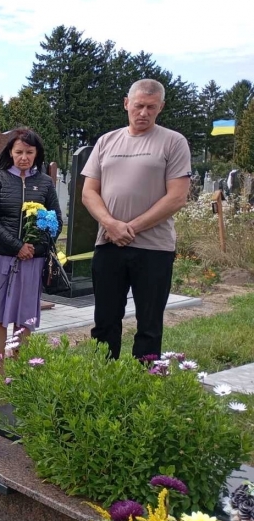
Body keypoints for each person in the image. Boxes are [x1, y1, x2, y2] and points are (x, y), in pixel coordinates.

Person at [82, 79, 191, 360]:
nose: (143, 112)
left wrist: (129, 228)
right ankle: (102, 381)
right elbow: (89, 192)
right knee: (105, 320)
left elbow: (177, 197)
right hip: (108, 245)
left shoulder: (173, 142)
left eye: (151, 107)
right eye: (139, 105)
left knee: (149, 324)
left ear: (161, 108)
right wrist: (110, 224)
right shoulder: (107, 141)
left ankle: (145, 384)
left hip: (153, 249)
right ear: (126, 103)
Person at [0, 128, 62, 367]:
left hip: (33, 259)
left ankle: (20, 361)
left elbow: (56, 220)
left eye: (29, 152)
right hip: (1, 256)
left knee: (25, 314)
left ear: (37, 154)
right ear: (10, 153)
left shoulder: (44, 182)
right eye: (19, 152)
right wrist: (17, 246)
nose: (24, 157)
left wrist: (36, 246)